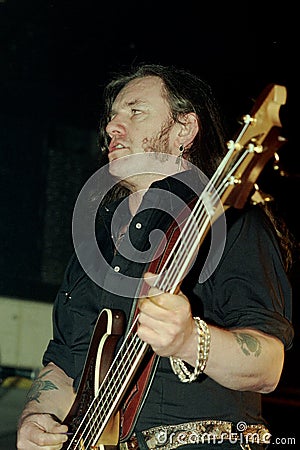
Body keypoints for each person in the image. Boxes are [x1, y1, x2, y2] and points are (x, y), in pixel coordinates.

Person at [17, 64, 294, 450]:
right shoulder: (93, 247)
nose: (113, 126)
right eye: (112, 117)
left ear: (185, 129)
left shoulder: (229, 221)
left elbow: (268, 366)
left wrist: (187, 340)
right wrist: (36, 418)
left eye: (135, 111)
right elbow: (64, 363)